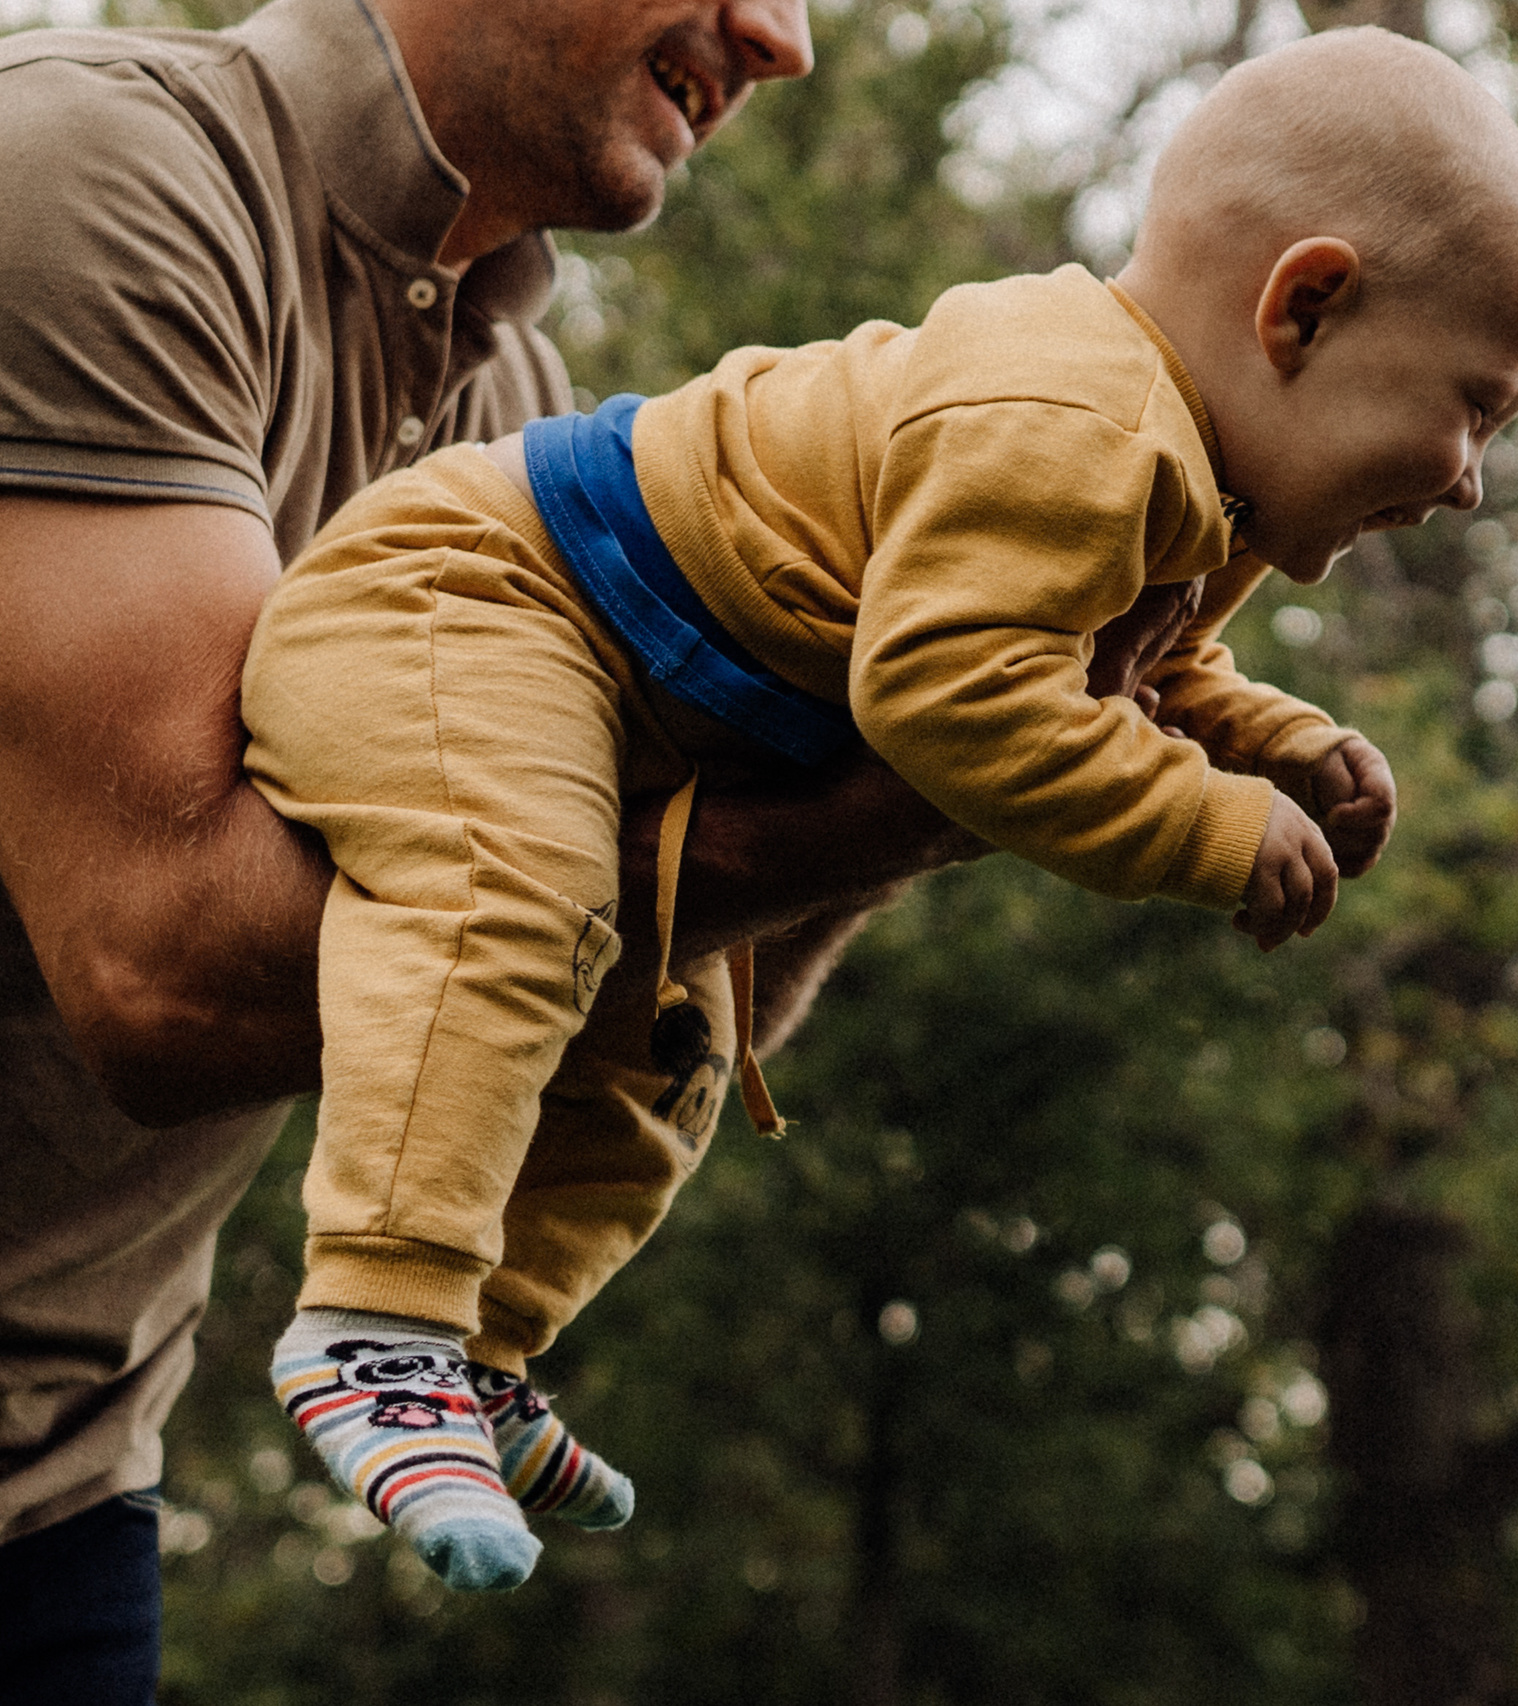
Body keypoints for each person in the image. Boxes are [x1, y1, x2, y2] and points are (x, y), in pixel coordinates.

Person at [235, 23, 1518, 1593]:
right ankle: (378, 1322)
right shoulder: (1070, 425)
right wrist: (1208, 826)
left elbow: (1135, 667)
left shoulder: (1187, 491)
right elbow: (947, 688)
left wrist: (1266, 741)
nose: (1471, 476)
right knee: (512, 891)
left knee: (673, 1033)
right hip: (471, 596)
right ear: (1306, 305)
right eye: (1476, 408)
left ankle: (484, 1343)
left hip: (620, 675)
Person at [0, 0, 1000, 1693]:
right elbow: (160, 973)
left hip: (69, 1493)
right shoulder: (92, 171)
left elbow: (574, 1019)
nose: (782, 38)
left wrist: (915, 732)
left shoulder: (519, 407)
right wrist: (885, 805)